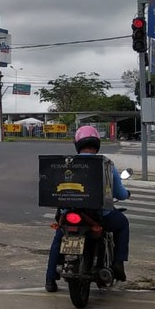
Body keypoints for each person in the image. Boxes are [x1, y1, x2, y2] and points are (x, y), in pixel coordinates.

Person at [45, 125, 130, 292]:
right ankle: (118, 263)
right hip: (99, 216)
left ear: (78, 144)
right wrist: (126, 194)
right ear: (96, 143)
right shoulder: (106, 165)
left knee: (59, 237)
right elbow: (119, 192)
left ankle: (49, 279)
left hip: (69, 213)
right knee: (123, 224)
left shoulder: (66, 164)